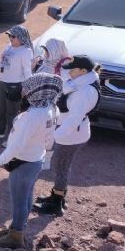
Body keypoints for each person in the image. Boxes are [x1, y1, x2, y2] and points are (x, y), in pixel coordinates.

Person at [0, 73, 62, 249]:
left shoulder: (33, 115)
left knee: (19, 200)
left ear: (37, 90)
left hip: (23, 161)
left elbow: (16, 145)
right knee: (26, 197)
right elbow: (49, 139)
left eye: (28, 88)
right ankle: (17, 227)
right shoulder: (52, 107)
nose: (24, 92)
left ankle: (16, 236)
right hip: (35, 159)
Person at [34, 56, 100, 216]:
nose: (69, 72)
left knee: (60, 165)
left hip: (71, 135)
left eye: (72, 69)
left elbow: (74, 119)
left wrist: (54, 136)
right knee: (62, 165)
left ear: (83, 71)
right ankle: (58, 196)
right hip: (70, 131)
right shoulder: (79, 82)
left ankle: (56, 204)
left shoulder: (85, 92)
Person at [0, 26, 34, 142]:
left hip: (15, 86)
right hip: (2, 82)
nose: (10, 38)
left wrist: (27, 87)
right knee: (1, 109)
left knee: (12, 113)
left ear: (21, 37)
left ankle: (11, 138)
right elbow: (2, 62)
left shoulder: (26, 51)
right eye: (9, 36)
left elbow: (27, 71)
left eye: (13, 36)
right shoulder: (9, 47)